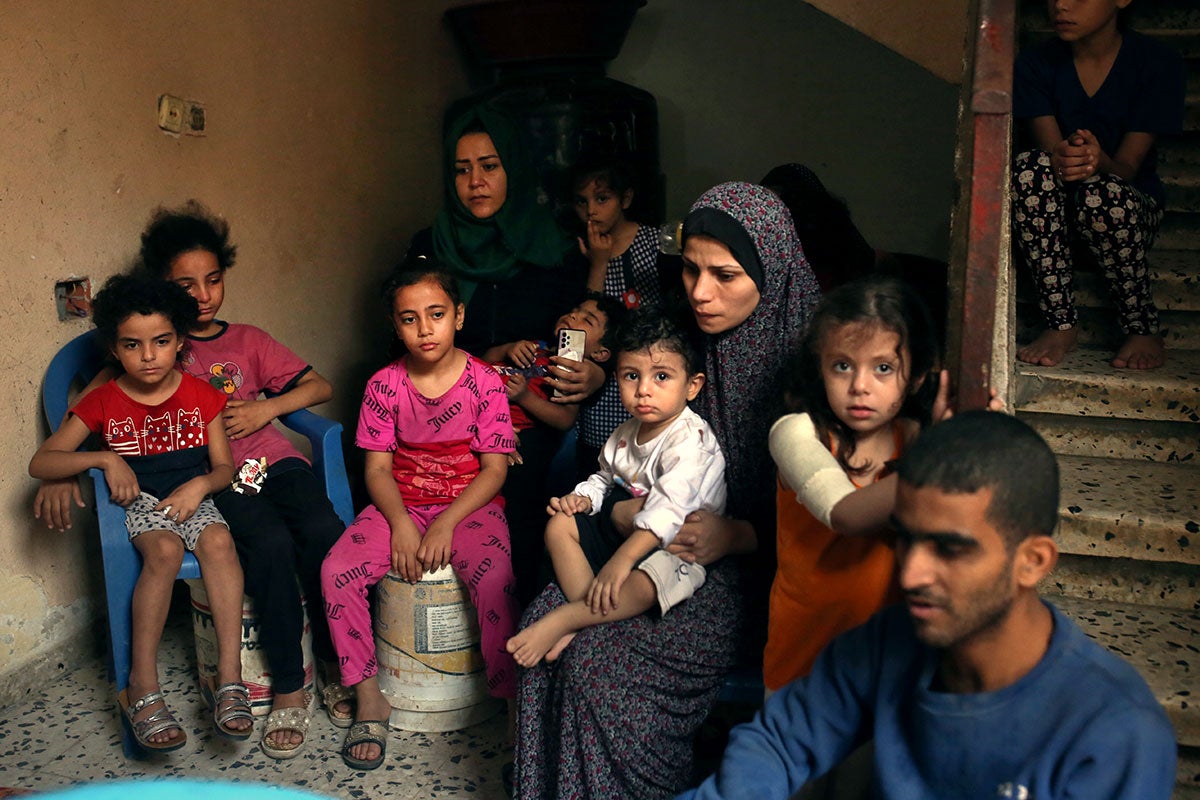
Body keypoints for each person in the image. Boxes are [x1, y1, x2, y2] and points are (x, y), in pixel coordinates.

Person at [680, 411, 1177, 800]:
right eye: (907, 539)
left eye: (950, 548)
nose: (912, 574)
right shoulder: (887, 641)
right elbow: (778, 740)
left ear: (1032, 561)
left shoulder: (1115, 732)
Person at [515, 181, 820, 799]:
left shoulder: (815, 363)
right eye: (692, 269)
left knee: (600, 668)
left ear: (773, 266)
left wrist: (739, 534)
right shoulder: (677, 339)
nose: (702, 292)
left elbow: (832, 512)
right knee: (542, 621)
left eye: (726, 275)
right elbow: (621, 446)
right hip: (644, 541)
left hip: (748, 577)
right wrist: (621, 503)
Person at [36, 202, 348, 759]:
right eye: (187, 284)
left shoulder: (246, 340)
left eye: (213, 280)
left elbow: (317, 387)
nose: (203, 295)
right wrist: (62, 475)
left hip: (267, 460)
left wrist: (266, 408)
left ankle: (333, 657)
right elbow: (80, 425)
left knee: (324, 529)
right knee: (271, 544)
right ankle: (288, 686)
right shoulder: (142, 347)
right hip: (222, 477)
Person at [29, 274, 252, 751]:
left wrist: (199, 487)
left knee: (218, 541)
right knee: (165, 552)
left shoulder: (202, 395)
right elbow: (42, 461)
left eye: (161, 341)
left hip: (193, 493)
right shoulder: (103, 401)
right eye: (133, 344)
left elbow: (223, 468)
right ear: (113, 349)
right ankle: (142, 686)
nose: (148, 355)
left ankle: (228, 679)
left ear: (180, 343)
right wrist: (105, 457)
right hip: (141, 501)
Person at [320, 262, 520, 770]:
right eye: (409, 319)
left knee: (495, 577)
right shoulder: (384, 386)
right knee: (335, 571)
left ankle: (512, 697)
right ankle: (369, 696)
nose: (424, 329)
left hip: (470, 503)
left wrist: (447, 522)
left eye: (436, 314)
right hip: (399, 503)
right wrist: (405, 523)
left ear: (459, 315)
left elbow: (495, 471)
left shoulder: (486, 384)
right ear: (394, 324)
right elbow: (378, 469)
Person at [408, 104, 602, 607]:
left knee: (518, 475)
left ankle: (514, 618)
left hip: (524, 410)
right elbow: (405, 342)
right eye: (462, 168)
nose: (475, 181)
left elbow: (575, 336)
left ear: (513, 168)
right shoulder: (429, 246)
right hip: (442, 397)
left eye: (489, 166)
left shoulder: (553, 249)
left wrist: (591, 372)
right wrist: (487, 354)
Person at [507, 309, 726, 668]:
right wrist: (583, 499)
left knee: (652, 579)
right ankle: (589, 615)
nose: (644, 390)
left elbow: (670, 508)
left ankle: (569, 619)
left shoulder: (690, 440)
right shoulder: (626, 431)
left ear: (693, 385)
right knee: (559, 525)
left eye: (661, 377)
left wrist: (621, 562)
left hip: (674, 545)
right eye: (631, 376)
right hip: (623, 534)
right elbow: (604, 478)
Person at [764, 275, 939, 690]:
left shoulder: (914, 438)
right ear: (820, 367)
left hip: (888, 663)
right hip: (803, 663)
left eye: (883, 368)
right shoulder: (796, 433)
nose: (860, 386)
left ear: (915, 377)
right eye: (843, 366)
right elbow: (845, 514)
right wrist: (942, 456)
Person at [1011, 0, 1185, 370]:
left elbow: (1128, 167)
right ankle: (1060, 323)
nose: (1060, 4)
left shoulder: (1156, 63)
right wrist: (1066, 158)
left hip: (1124, 209)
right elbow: (1050, 153)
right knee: (1029, 167)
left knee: (1101, 194)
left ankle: (1141, 327)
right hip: (1052, 220)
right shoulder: (1034, 63)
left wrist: (1098, 161)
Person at [571, 157, 674, 471]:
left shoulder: (655, 243)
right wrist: (598, 262)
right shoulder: (578, 250)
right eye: (582, 201)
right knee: (600, 467)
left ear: (625, 199)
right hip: (599, 384)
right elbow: (580, 323)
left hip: (648, 369)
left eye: (602, 199)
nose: (591, 211)